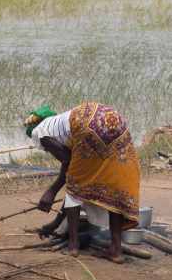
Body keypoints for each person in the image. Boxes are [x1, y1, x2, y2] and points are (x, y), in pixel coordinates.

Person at [26, 103, 141, 264]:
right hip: (114, 121)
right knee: (113, 184)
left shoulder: (40, 131)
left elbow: (68, 162)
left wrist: (51, 192)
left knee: (75, 184)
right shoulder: (60, 121)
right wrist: (54, 224)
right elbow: (73, 161)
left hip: (87, 125)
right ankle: (116, 250)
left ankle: (73, 246)